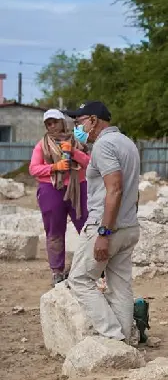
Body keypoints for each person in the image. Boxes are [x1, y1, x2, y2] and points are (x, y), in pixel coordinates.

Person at [64, 101, 142, 343]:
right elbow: (134, 190)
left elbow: (115, 188)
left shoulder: (103, 145)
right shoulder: (127, 143)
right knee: (120, 287)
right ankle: (124, 341)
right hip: (129, 226)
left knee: (80, 280)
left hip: (107, 226)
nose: (77, 128)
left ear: (93, 120)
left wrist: (104, 232)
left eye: (79, 122)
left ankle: (113, 336)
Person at [29, 109, 90, 286]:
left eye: (55, 122)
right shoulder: (42, 145)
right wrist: (54, 167)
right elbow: (33, 169)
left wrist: (73, 152)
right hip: (51, 190)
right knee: (54, 231)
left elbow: (89, 162)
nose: (52, 126)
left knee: (87, 227)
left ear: (63, 122)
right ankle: (57, 271)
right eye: (48, 123)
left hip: (78, 188)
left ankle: (92, 267)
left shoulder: (77, 142)